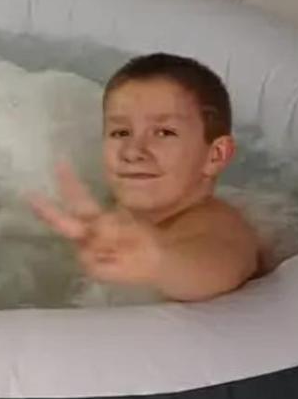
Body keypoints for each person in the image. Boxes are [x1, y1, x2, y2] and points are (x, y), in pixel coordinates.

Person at [31, 53, 261, 301]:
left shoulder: (219, 225)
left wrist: (156, 263)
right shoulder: (107, 209)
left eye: (164, 132)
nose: (132, 151)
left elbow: (218, 264)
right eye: (121, 132)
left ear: (215, 155)